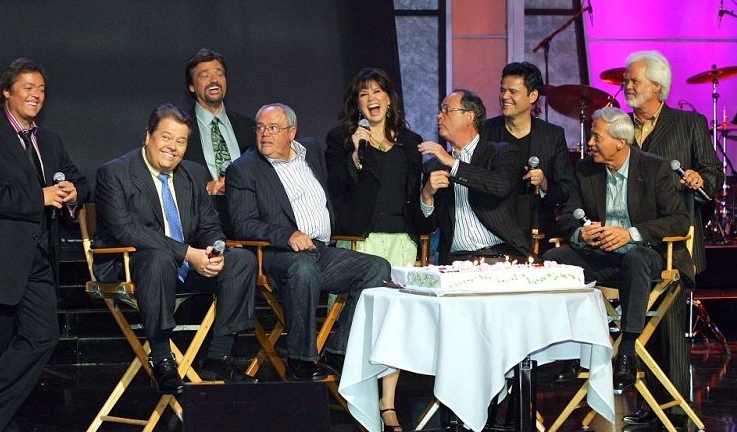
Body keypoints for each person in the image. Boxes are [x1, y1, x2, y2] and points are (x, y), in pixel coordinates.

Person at [0, 57, 88, 432]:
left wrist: (73, 191)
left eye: (41, 89)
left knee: (44, 334)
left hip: (40, 255)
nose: (36, 95)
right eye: (28, 87)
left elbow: (79, 179)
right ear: (6, 92)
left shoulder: (49, 140)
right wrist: (38, 196)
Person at [92, 104, 258, 394]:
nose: (173, 147)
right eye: (166, 137)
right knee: (157, 258)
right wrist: (187, 254)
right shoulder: (114, 173)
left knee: (241, 260)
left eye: (181, 141)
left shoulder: (192, 174)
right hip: (132, 265)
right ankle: (161, 359)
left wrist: (214, 251)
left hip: (186, 263)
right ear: (148, 136)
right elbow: (128, 231)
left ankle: (218, 357)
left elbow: (208, 224)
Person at [225, 103, 391, 382]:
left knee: (377, 268)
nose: (265, 134)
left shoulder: (310, 150)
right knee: (303, 269)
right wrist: (287, 235)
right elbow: (244, 224)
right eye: (260, 128)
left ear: (292, 132)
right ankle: (301, 361)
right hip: (276, 255)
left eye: (273, 128)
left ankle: (338, 352)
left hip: (321, 250)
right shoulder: (244, 169)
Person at [542, 107, 692, 391]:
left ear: (620, 141)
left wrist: (630, 234)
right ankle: (570, 349)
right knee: (554, 259)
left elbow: (680, 220)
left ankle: (627, 349)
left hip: (645, 255)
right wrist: (580, 234)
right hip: (599, 255)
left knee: (635, 258)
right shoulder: (587, 169)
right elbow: (565, 217)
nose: (589, 143)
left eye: (596, 137)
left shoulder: (654, 168)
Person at [621, 50, 724, 427]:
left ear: (658, 87)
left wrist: (702, 180)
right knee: (638, 326)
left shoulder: (688, 124)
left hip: (674, 244)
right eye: (627, 80)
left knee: (670, 328)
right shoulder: (621, 125)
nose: (627, 86)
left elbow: (714, 173)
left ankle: (677, 408)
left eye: (635, 81)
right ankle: (648, 405)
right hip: (631, 240)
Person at [325, 67, 425, 431]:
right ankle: (358, 396)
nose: (371, 99)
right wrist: (355, 151)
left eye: (377, 91)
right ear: (358, 103)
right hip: (361, 241)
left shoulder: (411, 143)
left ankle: (387, 403)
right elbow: (337, 186)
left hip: (402, 239)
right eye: (364, 93)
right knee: (367, 323)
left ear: (388, 98)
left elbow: (417, 196)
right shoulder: (341, 139)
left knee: (394, 325)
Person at [419, 89, 533, 265]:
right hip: (456, 261)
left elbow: (499, 186)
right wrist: (426, 196)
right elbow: (427, 227)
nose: (439, 116)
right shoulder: (434, 167)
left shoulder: (502, 152)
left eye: (447, 110)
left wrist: (453, 163)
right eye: (441, 111)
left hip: (501, 256)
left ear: (469, 117)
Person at [479, 62, 575, 247]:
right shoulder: (485, 131)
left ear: (532, 96)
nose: (504, 97)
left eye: (512, 92)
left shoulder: (552, 135)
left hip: (537, 231)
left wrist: (545, 183)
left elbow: (567, 189)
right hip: (493, 232)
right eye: (502, 90)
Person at [181, 48, 256, 233]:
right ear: (192, 86)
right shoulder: (181, 130)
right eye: (205, 75)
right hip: (201, 226)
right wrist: (204, 188)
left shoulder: (249, 127)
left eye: (219, 74)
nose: (214, 80)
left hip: (248, 224)